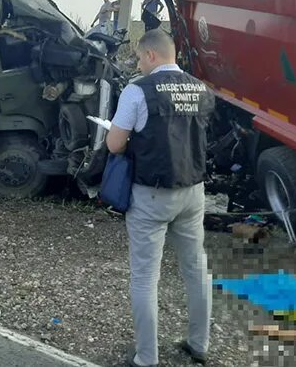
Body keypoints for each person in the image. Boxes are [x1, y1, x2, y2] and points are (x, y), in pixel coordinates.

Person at [105, 29, 215, 367]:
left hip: (151, 196)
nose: (138, 64)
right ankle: (199, 344)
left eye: (139, 57)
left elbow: (114, 144)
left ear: (152, 55)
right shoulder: (201, 88)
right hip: (193, 193)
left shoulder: (138, 90)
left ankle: (146, 358)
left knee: (144, 278)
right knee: (196, 268)